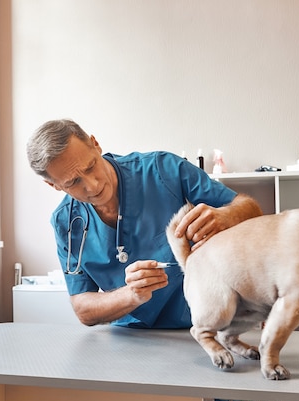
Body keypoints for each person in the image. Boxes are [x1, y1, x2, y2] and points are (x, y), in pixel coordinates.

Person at [27, 119, 262, 329]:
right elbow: (83, 308)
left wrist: (227, 216)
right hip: (130, 340)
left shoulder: (164, 170)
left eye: (90, 167)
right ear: (55, 185)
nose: (93, 185)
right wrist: (132, 295)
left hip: (206, 323)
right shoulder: (66, 222)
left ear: (95, 144)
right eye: (74, 182)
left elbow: (250, 208)